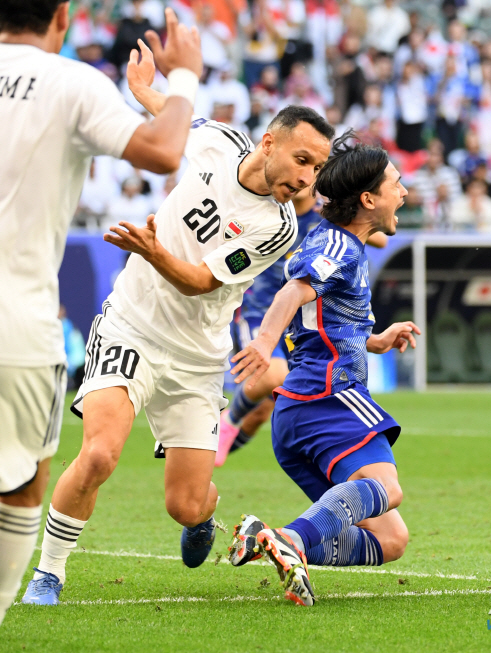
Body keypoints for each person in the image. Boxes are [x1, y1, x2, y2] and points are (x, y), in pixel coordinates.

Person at [21, 39, 333, 607]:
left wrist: (150, 248)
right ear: (269, 143)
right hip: (131, 326)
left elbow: (200, 281)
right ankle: (50, 573)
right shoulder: (219, 141)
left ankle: (203, 519)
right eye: (303, 161)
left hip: (197, 357)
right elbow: (171, 123)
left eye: (316, 170)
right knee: (98, 454)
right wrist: (147, 91)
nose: (307, 180)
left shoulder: (278, 228)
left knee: (185, 505)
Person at [0, 0, 202, 624]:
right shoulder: (71, 81)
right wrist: (185, 77)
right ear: (62, 17)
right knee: (25, 483)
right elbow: (165, 151)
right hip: (17, 324)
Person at [227, 133, 419, 607]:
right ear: (369, 198)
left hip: (298, 410)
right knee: (387, 489)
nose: (405, 192)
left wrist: (375, 339)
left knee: (390, 540)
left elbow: (321, 322)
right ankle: (292, 540)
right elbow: (292, 293)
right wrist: (264, 343)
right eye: (397, 183)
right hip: (327, 397)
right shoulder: (339, 246)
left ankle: (274, 539)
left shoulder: (338, 242)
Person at [215, 186, 387, 465]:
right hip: (260, 311)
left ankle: (207, 459)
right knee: (272, 377)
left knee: (263, 411)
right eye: (299, 164)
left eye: (311, 169)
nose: (301, 178)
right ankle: (229, 420)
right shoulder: (267, 213)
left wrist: (339, 214)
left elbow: (379, 239)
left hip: (298, 323)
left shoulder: (325, 217)